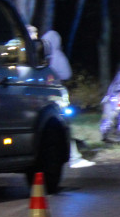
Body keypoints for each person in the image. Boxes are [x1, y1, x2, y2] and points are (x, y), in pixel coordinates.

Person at [40, 29, 95, 168]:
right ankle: (74, 158)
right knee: (64, 125)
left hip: (42, 95)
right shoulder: (57, 56)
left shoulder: (40, 56)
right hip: (57, 94)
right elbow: (66, 74)